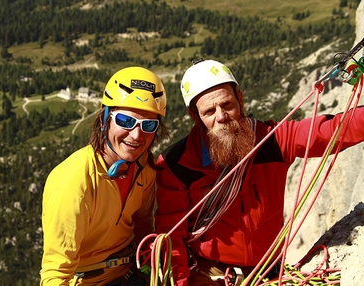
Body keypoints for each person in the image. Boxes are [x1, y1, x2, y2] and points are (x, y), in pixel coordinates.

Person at [155, 59, 364, 285]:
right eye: (209, 111)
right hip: (211, 276)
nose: (221, 117)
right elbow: (170, 235)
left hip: (268, 271)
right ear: (195, 116)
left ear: (240, 99)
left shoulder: (272, 140)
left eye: (227, 105)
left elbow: (332, 129)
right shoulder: (177, 165)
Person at [40, 66, 168, 286]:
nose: (137, 135)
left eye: (148, 125)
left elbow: (144, 226)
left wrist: (150, 269)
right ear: (104, 119)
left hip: (132, 272)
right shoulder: (73, 183)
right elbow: (55, 275)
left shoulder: (144, 167)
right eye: (126, 121)